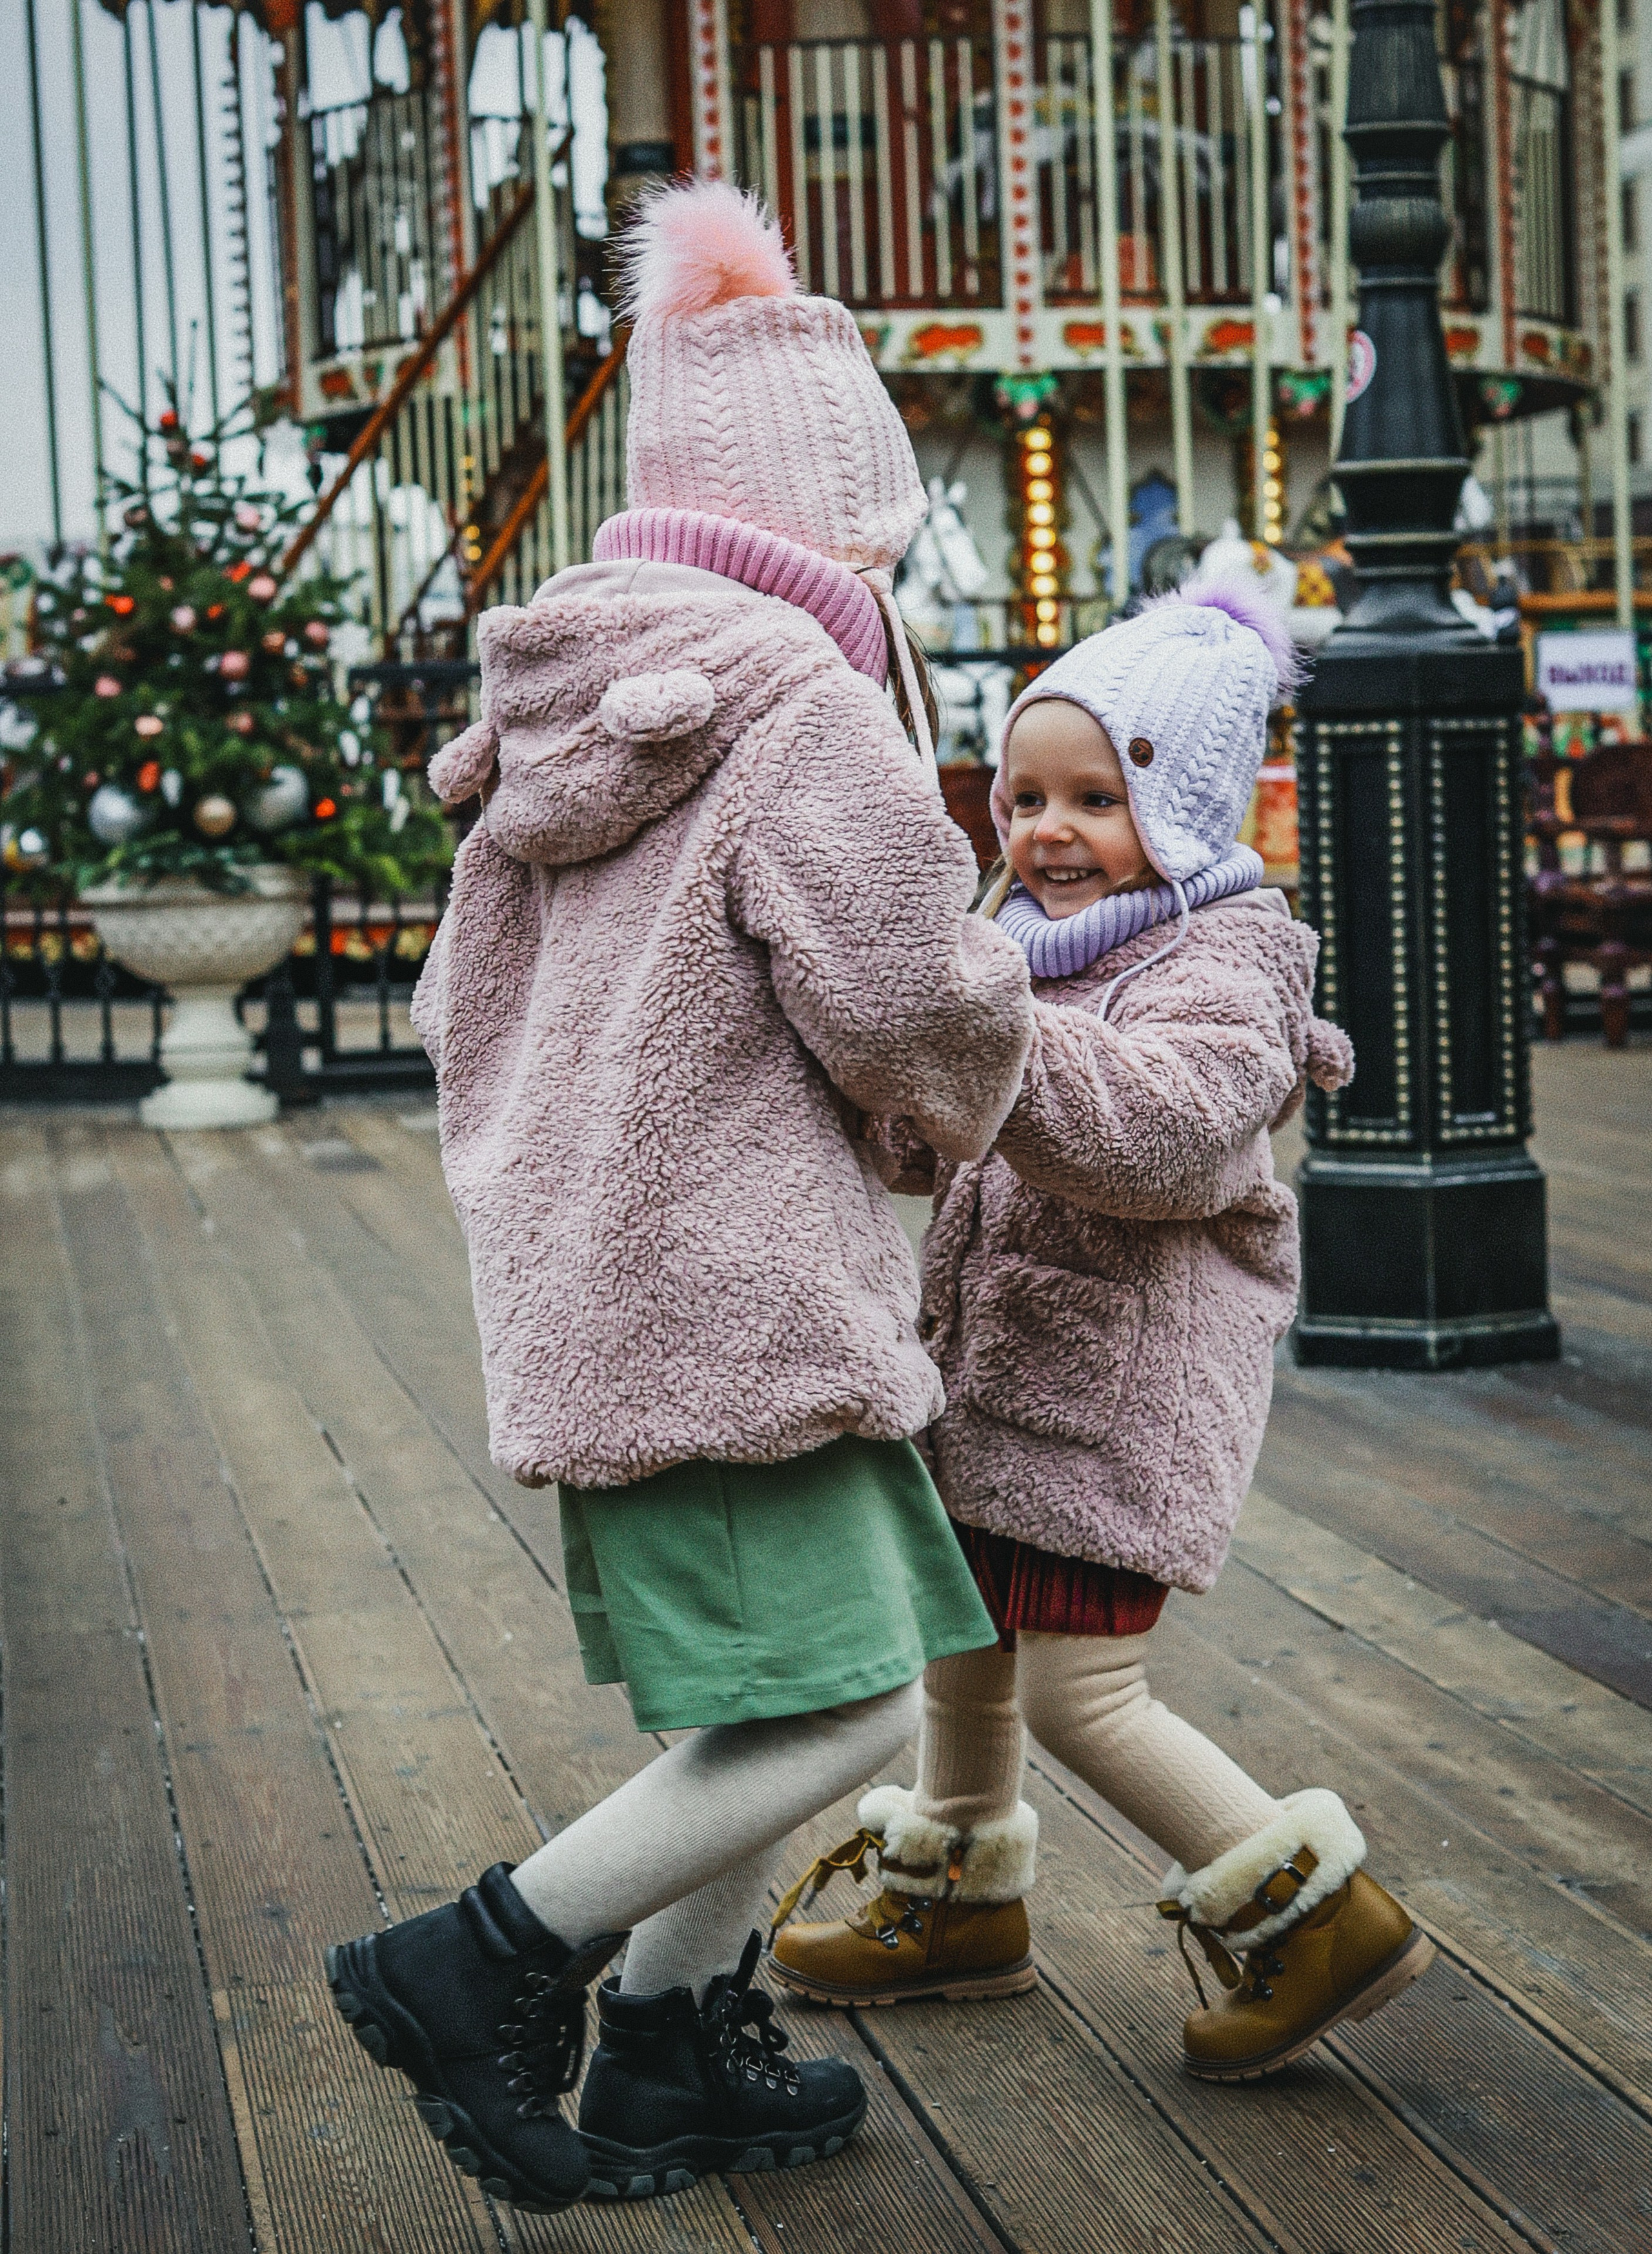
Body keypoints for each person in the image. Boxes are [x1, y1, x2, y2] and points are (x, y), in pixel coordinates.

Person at [323, 180, 1034, 2213]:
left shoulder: (564, 695)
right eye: (886, 537)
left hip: (607, 1265)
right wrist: (977, 1074)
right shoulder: (799, 701)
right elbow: (909, 992)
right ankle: (478, 1960)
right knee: (850, 1695)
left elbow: (482, 1007)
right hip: (735, 1276)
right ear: (845, 521)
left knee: (771, 1676)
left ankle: (664, 2043)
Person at [769, 585, 1436, 2081]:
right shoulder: (1018, 941)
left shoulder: (1224, 964)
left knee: (1083, 1692)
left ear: (1182, 813)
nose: (1047, 831)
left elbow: (1153, 1133)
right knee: (968, 1646)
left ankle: (1312, 1919)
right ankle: (955, 1903)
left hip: (1112, 1398)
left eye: (1097, 798)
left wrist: (979, 1040)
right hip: (995, 1382)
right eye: (1023, 797)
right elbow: (941, 1135)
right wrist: (873, 1081)